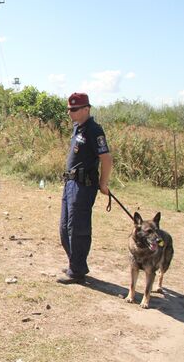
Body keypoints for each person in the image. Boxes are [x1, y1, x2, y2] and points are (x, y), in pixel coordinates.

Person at [58, 92, 113, 284]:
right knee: (65, 228)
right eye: (69, 109)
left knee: (78, 228)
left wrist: (103, 183)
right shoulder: (77, 128)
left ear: (86, 109)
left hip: (84, 186)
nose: (70, 112)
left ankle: (77, 272)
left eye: (74, 109)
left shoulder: (94, 130)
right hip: (71, 183)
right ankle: (75, 264)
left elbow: (106, 159)